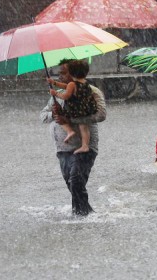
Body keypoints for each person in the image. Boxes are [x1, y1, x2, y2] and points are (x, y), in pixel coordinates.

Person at [40, 59, 107, 216]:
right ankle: (84, 213)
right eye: (59, 73)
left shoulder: (91, 91)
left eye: (64, 72)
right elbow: (42, 116)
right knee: (72, 184)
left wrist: (71, 120)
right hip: (63, 148)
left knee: (76, 180)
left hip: (84, 147)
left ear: (74, 73)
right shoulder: (57, 96)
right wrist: (54, 114)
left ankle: (82, 216)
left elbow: (101, 114)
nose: (60, 76)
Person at [47, 60, 97, 154]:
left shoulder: (72, 84)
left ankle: (70, 131)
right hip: (85, 110)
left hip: (75, 111)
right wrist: (54, 82)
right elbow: (66, 86)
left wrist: (56, 93)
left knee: (60, 116)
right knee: (84, 128)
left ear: (71, 73)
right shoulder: (85, 83)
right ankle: (85, 145)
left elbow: (66, 95)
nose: (60, 75)